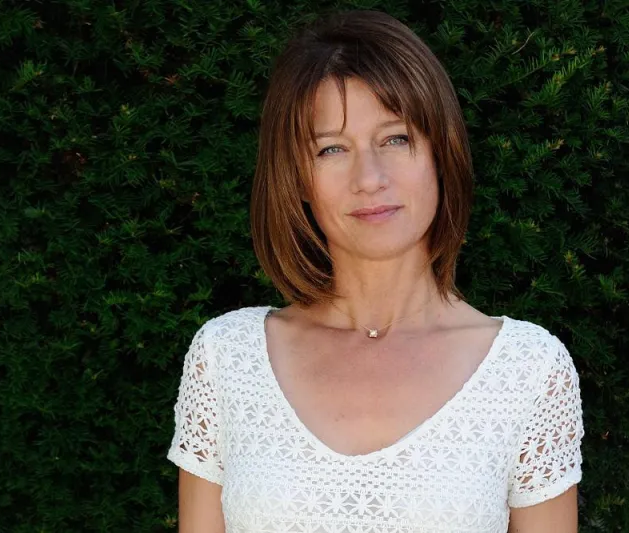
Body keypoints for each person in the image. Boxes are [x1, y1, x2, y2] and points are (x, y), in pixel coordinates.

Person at [167, 9, 584, 533]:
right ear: (296, 177)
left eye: (395, 139)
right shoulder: (227, 359)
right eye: (332, 149)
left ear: (441, 152)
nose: (369, 178)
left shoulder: (529, 372)